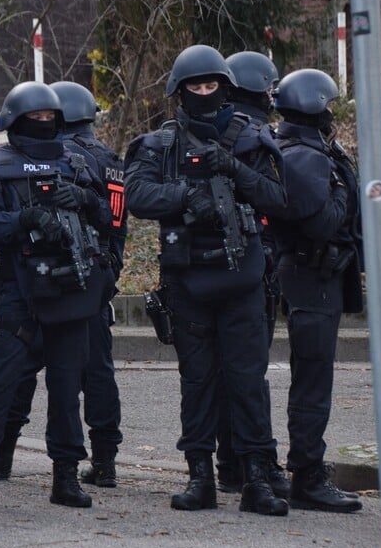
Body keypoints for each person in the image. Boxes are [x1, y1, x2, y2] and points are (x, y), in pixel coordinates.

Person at [124, 44, 289, 515]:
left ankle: (257, 476)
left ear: (225, 87)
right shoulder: (161, 143)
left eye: (210, 84)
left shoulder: (252, 138)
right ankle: (201, 476)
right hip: (189, 283)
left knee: (247, 380)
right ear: (180, 90)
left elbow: (279, 198)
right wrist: (186, 198)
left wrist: (234, 169)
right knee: (197, 382)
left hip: (242, 282)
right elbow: (136, 194)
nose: (202, 92)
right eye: (194, 86)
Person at [0, 80, 126, 488]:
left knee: (67, 387)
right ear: (15, 120)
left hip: (71, 291)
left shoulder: (79, 164)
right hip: (19, 292)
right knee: (4, 381)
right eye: (35, 118)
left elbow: (111, 221)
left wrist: (84, 202)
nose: (44, 124)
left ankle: (67, 476)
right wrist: (26, 220)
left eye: (50, 118)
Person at [269, 68, 363, 512]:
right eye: (325, 105)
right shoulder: (304, 156)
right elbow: (323, 221)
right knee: (312, 379)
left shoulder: (309, 148)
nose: (331, 113)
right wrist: (343, 191)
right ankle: (307, 474)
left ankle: (304, 469)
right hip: (311, 278)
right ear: (310, 107)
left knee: (313, 376)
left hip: (314, 277)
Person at [212, 51, 288, 497]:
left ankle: (228, 464)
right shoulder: (258, 135)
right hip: (254, 266)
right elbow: (279, 200)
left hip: (210, 266)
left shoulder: (209, 130)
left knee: (219, 370)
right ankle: (259, 464)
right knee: (249, 370)